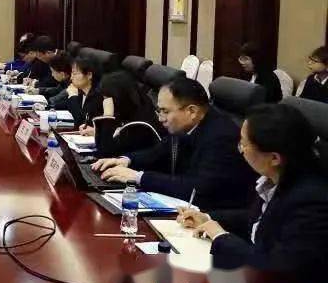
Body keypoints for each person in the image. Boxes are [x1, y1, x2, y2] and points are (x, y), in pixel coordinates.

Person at [177, 104, 328, 283]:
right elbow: (260, 220)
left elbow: (279, 268)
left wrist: (221, 237)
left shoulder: (311, 200)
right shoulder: (278, 179)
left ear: (274, 158)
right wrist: (207, 218)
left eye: (244, 144)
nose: (240, 150)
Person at [92, 78, 256, 210]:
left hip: (213, 217)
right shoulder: (188, 126)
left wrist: (138, 177)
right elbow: (159, 151)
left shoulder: (221, 137)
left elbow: (198, 189)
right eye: (159, 110)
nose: (160, 118)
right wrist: (126, 160)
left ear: (192, 111)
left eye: (165, 111)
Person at [92, 71, 163, 158]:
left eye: (107, 99)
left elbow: (105, 154)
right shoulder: (133, 110)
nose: (105, 103)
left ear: (118, 97)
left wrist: (107, 117)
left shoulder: (140, 125)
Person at [54, 56, 103, 131]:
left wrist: (73, 96)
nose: (71, 78)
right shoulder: (81, 93)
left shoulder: (98, 97)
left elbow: (81, 124)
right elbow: (61, 105)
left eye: (74, 73)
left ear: (89, 75)